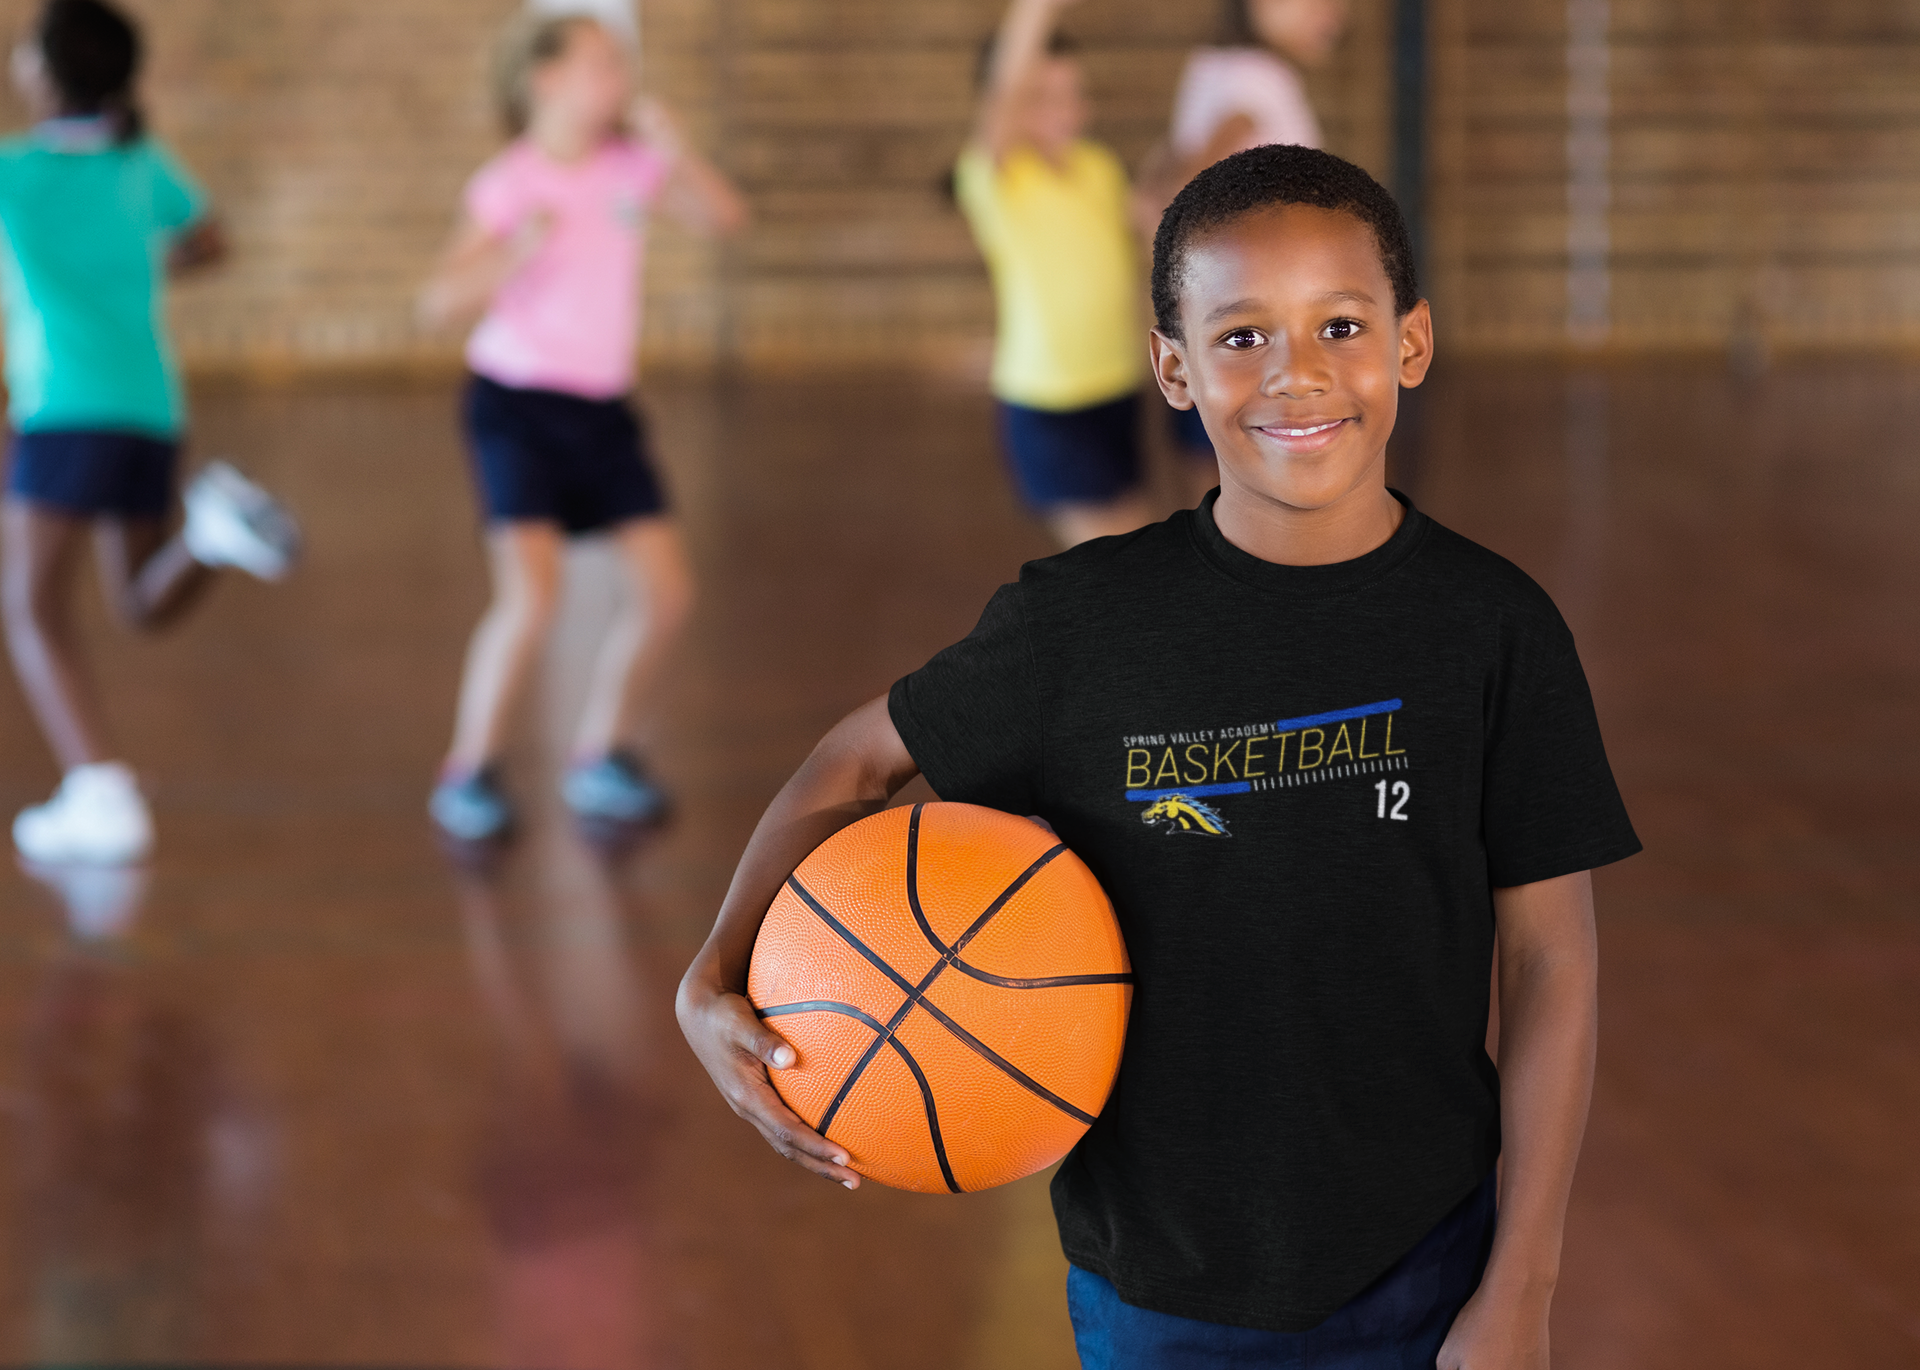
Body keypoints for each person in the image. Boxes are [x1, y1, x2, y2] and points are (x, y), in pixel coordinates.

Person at [680, 144, 1641, 1368]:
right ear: (1173, 368)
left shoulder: (1494, 627)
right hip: (1159, 1285)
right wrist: (709, 971)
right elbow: (855, 762)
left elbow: (1552, 956)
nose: (1298, 372)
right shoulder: (1080, 625)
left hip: (1432, 1264)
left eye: (1341, 323)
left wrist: (1525, 1286)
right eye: (1241, 337)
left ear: (1410, 343)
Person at [418, 10, 746, 843]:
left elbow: (722, 218)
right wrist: (513, 251)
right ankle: (469, 770)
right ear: (546, 79)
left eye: (621, 66)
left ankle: (601, 754)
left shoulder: (631, 168)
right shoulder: (509, 183)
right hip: (516, 406)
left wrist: (675, 145)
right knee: (532, 599)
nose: (620, 82)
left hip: (603, 410)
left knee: (669, 594)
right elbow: (437, 300)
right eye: (601, 65)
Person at [1, 0, 301, 867]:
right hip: (149, 409)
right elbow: (209, 241)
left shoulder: (15, 173)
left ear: (49, 76)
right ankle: (212, 536)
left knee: (31, 608)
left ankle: (99, 790)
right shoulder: (141, 168)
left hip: (59, 411)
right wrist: (139, 263)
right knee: (136, 600)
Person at [954, 0, 1152, 549]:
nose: (1065, 110)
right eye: (1041, 98)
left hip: (1116, 385)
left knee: (1137, 548)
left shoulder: (1099, 166)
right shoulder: (995, 178)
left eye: (1073, 94)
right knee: (1113, 567)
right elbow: (1004, 91)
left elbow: (1152, 232)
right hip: (1049, 402)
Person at [1137, 0, 1350, 494]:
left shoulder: (1214, 64)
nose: (1335, 12)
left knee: (1213, 484)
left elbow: (1156, 190)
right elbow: (1176, 190)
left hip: (1216, 321)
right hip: (1250, 328)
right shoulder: (1259, 80)